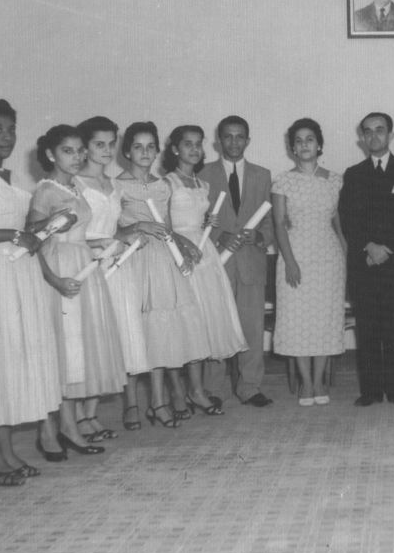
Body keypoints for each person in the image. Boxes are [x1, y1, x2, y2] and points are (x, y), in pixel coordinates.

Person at [0, 100, 63, 485]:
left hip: (19, 276)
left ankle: (6, 452)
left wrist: (44, 230)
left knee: (10, 364)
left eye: (10, 129)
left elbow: (21, 229)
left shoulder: (8, 179)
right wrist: (13, 234)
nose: (6, 137)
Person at [29, 125, 128, 456]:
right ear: (50, 154)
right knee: (66, 348)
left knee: (77, 349)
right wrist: (54, 279)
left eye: (79, 150)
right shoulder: (46, 190)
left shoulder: (74, 187)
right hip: (59, 266)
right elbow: (31, 238)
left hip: (83, 265)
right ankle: (59, 429)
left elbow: (79, 232)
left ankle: (66, 426)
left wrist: (102, 244)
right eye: (67, 151)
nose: (77, 157)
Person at [116, 122, 206, 427]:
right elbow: (112, 230)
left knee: (161, 331)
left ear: (157, 150)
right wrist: (136, 227)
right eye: (138, 146)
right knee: (134, 330)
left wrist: (183, 244)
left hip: (162, 261)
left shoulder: (162, 185)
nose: (145, 152)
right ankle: (131, 403)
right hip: (133, 259)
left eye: (150, 146)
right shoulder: (117, 185)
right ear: (127, 151)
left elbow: (167, 226)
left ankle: (158, 400)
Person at [163, 124, 248, 415]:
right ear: (175, 149)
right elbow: (164, 226)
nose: (194, 149)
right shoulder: (167, 183)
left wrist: (206, 225)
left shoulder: (203, 185)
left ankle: (197, 391)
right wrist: (183, 243)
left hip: (204, 256)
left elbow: (198, 222)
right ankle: (178, 392)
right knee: (182, 325)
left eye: (198, 144)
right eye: (187, 144)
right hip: (178, 254)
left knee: (201, 324)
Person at [338, 112, 394, 406]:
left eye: (380, 130)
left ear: (390, 135)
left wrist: (385, 249)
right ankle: (370, 391)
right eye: (368, 131)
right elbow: (348, 217)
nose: (374, 136)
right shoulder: (353, 174)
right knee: (368, 327)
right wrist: (369, 247)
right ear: (362, 138)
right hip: (364, 261)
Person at [76, 116, 148, 432]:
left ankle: (91, 414)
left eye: (110, 143)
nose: (106, 150)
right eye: (99, 144)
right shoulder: (76, 183)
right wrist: (98, 243)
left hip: (116, 267)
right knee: (89, 339)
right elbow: (71, 234)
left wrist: (127, 237)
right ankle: (79, 417)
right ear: (85, 146)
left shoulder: (115, 185)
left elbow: (114, 228)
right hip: (86, 264)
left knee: (112, 338)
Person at [198, 116, 275, 407]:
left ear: (248, 140)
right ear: (219, 141)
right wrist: (220, 236)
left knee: (252, 327)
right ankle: (214, 389)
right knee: (217, 325)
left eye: (239, 136)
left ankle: (250, 387)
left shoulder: (262, 175)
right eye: (228, 136)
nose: (234, 142)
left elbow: (271, 220)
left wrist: (259, 236)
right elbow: (196, 219)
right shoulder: (203, 174)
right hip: (218, 261)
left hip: (251, 263)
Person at [271, 118, 347, 405]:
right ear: (292, 147)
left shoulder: (336, 179)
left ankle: (319, 381)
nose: (304, 145)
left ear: (319, 145)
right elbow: (279, 224)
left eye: (310, 139)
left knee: (325, 319)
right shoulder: (283, 181)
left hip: (328, 257)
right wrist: (290, 262)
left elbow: (338, 223)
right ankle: (305, 382)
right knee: (297, 320)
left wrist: (346, 254)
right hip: (295, 254)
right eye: (299, 140)